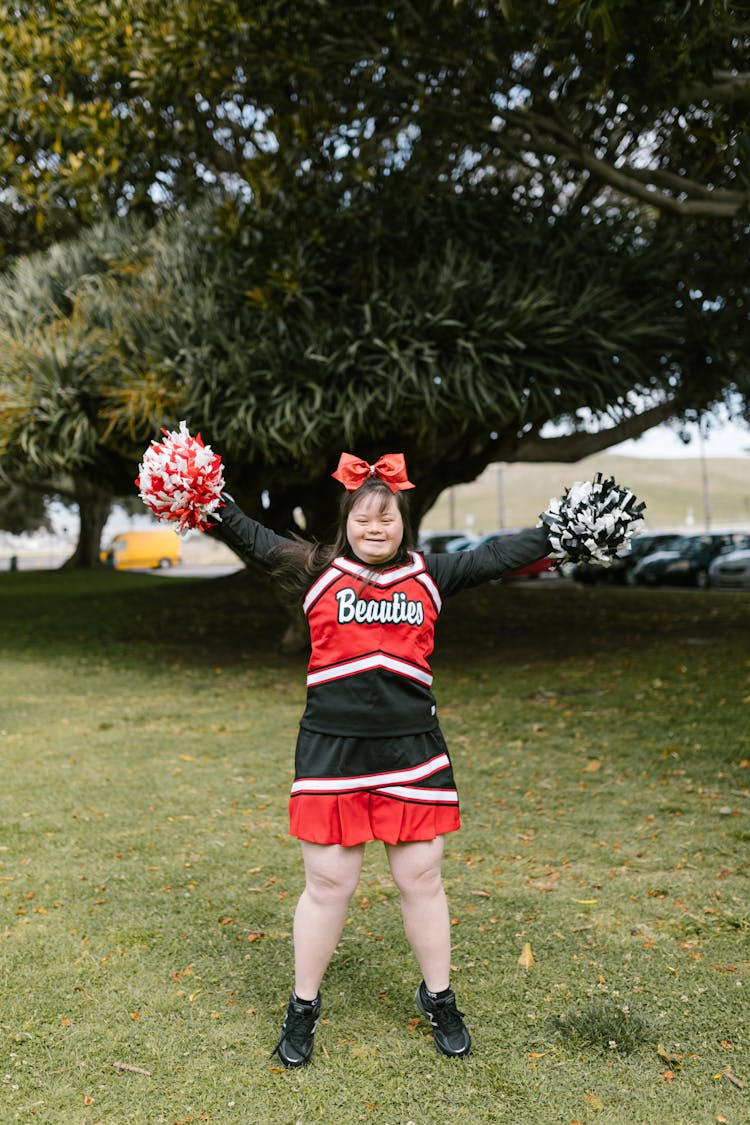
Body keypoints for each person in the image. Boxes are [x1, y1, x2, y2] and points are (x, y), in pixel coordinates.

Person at [211, 451, 552, 1067]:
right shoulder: (314, 569)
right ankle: (303, 1006)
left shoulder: (430, 573)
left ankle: (438, 995)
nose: (376, 528)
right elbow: (254, 538)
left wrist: (561, 532)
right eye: (364, 518)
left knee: (420, 878)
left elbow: (499, 556)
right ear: (347, 522)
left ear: (403, 523)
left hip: (412, 754)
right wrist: (208, 498)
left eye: (387, 518)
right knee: (328, 884)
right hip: (331, 753)